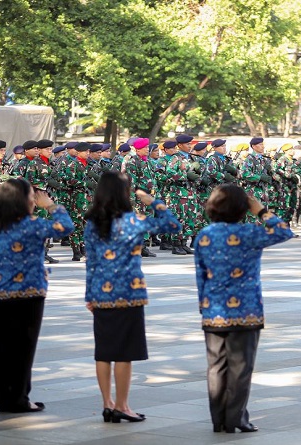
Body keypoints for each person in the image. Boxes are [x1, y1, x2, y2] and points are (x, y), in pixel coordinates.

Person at [194, 184, 293, 434]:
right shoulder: (250, 233)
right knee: (240, 367)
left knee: (216, 366)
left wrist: (203, 305)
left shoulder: (204, 235)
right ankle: (235, 418)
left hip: (213, 309)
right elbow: (284, 231)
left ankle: (218, 419)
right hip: (245, 310)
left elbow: (200, 275)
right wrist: (261, 211)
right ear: (242, 209)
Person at [83, 171, 181, 424]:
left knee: (103, 351)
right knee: (124, 352)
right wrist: (152, 201)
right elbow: (173, 225)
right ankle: (123, 405)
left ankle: (107, 403)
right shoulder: (134, 221)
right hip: (129, 293)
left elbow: (91, 263)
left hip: (102, 294)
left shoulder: (93, 223)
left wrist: (90, 295)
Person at [0, 178, 73, 413]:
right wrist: (51, 205)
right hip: (28, 297)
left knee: (3, 349)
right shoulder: (32, 224)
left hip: (0, 296)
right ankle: (19, 399)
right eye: (32, 199)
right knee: (23, 349)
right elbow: (66, 227)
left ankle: (4, 398)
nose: (34, 203)